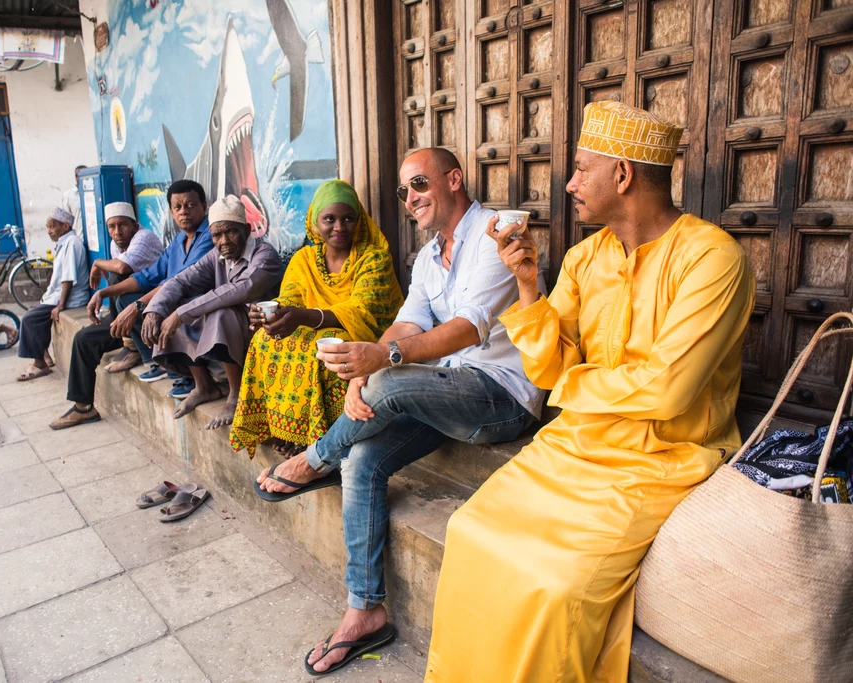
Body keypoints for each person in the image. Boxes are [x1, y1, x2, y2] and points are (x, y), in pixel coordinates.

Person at [425, 102, 756, 682]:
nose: (570, 184)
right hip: (572, 443)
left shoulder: (713, 258)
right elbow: (549, 370)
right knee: (469, 531)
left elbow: (667, 391)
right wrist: (528, 284)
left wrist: (572, 385)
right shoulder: (585, 257)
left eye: (581, 169)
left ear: (623, 175)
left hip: (659, 458)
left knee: (557, 587)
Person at [255, 148, 544, 675]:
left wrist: (381, 360)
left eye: (419, 185)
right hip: (440, 391)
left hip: (499, 398)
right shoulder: (428, 256)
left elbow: (469, 327)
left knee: (385, 382)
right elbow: (408, 324)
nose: (410, 200)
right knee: (362, 459)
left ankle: (313, 460)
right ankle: (365, 611)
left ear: (453, 180)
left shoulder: (495, 234)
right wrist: (363, 371)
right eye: (404, 192)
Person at [229, 180, 403, 458]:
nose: (339, 227)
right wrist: (269, 315)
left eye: (348, 218)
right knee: (265, 340)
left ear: (359, 221)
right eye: (329, 219)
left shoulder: (373, 257)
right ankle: (284, 426)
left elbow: (363, 311)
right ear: (314, 221)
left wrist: (304, 317)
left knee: (329, 347)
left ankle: (319, 434)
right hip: (313, 326)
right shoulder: (304, 259)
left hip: (366, 335)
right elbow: (291, 301)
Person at [48, 180, 215, 430]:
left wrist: (137, 307)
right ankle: (83, 406)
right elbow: (149, 275)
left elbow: (177, 282)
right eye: (177, 207)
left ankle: (170, 367)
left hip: (192, 314)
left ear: (204, 205)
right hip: (141, 316)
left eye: (190, 205)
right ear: (171, 211)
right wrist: (103, 292)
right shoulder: (180, 241)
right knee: (84, 338)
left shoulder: (208, 238)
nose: (184, 211)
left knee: (137, 303)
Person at [142, 195, 284, 430]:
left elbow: (239, 290)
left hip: (262, 332)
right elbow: (181, 281)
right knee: (176, 312)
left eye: (231, 232)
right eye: (217, 235)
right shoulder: (216, 257)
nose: (224, 241)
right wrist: (155, 310)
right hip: (234, 333)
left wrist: (181, 313)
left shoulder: (264, 255)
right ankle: (204, 386)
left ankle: (236, 395)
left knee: (218, 312)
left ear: (247, 230)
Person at [90, 201, 165, 374]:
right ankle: (81, 402)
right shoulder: (115, 244)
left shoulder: (144, 237)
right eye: (112, 226)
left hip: (156, 293)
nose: (117, 232)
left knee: (117, 276)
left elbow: (122, 268)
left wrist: (97, 263)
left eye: (123, 224)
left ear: (134, 226)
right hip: (137, 291)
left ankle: (131, 346)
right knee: (83, 339)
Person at [16, 208, 89, 381]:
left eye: (52, 226)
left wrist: (60, 306)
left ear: (65, 226)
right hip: (57, 295)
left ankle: (40, 363)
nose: (49, 231)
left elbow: (68, 279)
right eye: (48, 227)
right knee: (36, 314)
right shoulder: (64, 243)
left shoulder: (72, 243)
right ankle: (44, 354)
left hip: (71, 297)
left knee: (29, 319)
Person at [62, 165, 87, 237]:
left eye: (84, 175)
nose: (80, 178)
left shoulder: (97, 193)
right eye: (77, 175)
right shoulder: (68, 196)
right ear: (75, 177)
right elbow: (66, 221)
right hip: (77, 237)